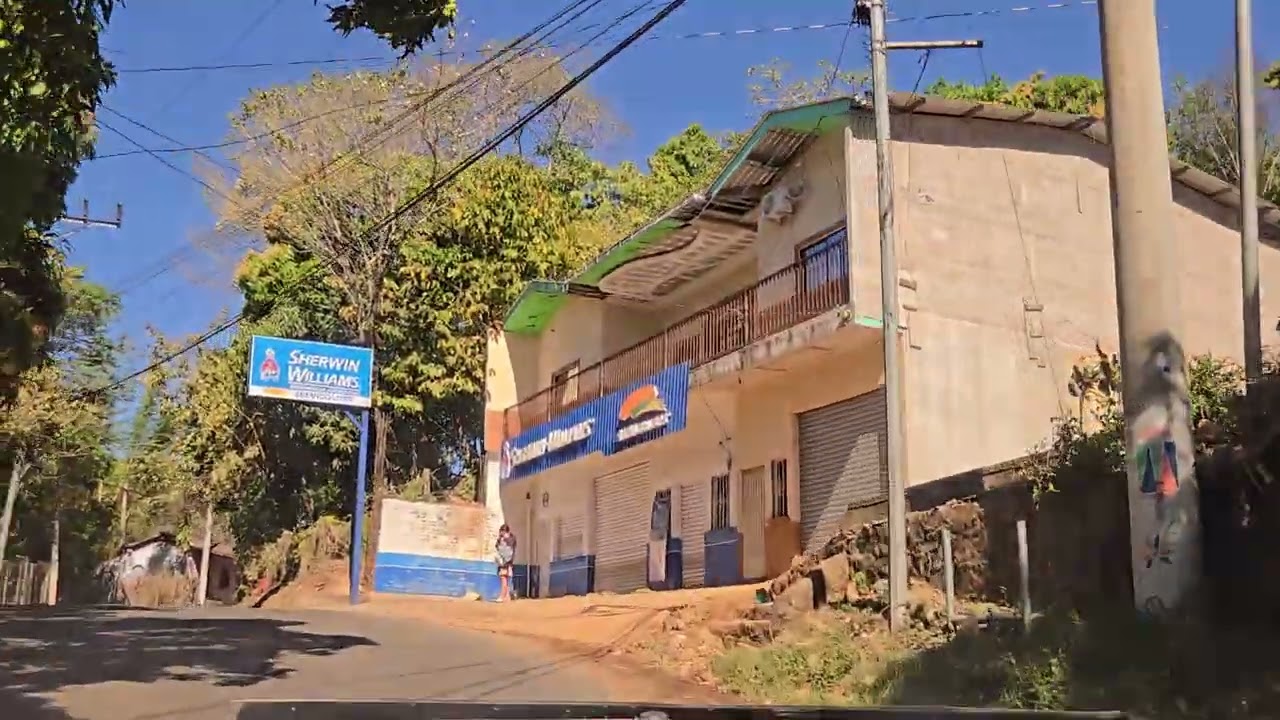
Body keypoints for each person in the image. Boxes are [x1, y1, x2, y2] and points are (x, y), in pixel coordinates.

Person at [495, 524, 517, 602]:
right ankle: (507, 596)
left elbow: (508, 553)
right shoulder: (507, 540)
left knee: (504, 579)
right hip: (506, 563)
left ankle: (502, 596)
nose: (502, 534)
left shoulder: (507, 541)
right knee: (506, 579)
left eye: (503, 532)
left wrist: (503, 562)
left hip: (505, 563)